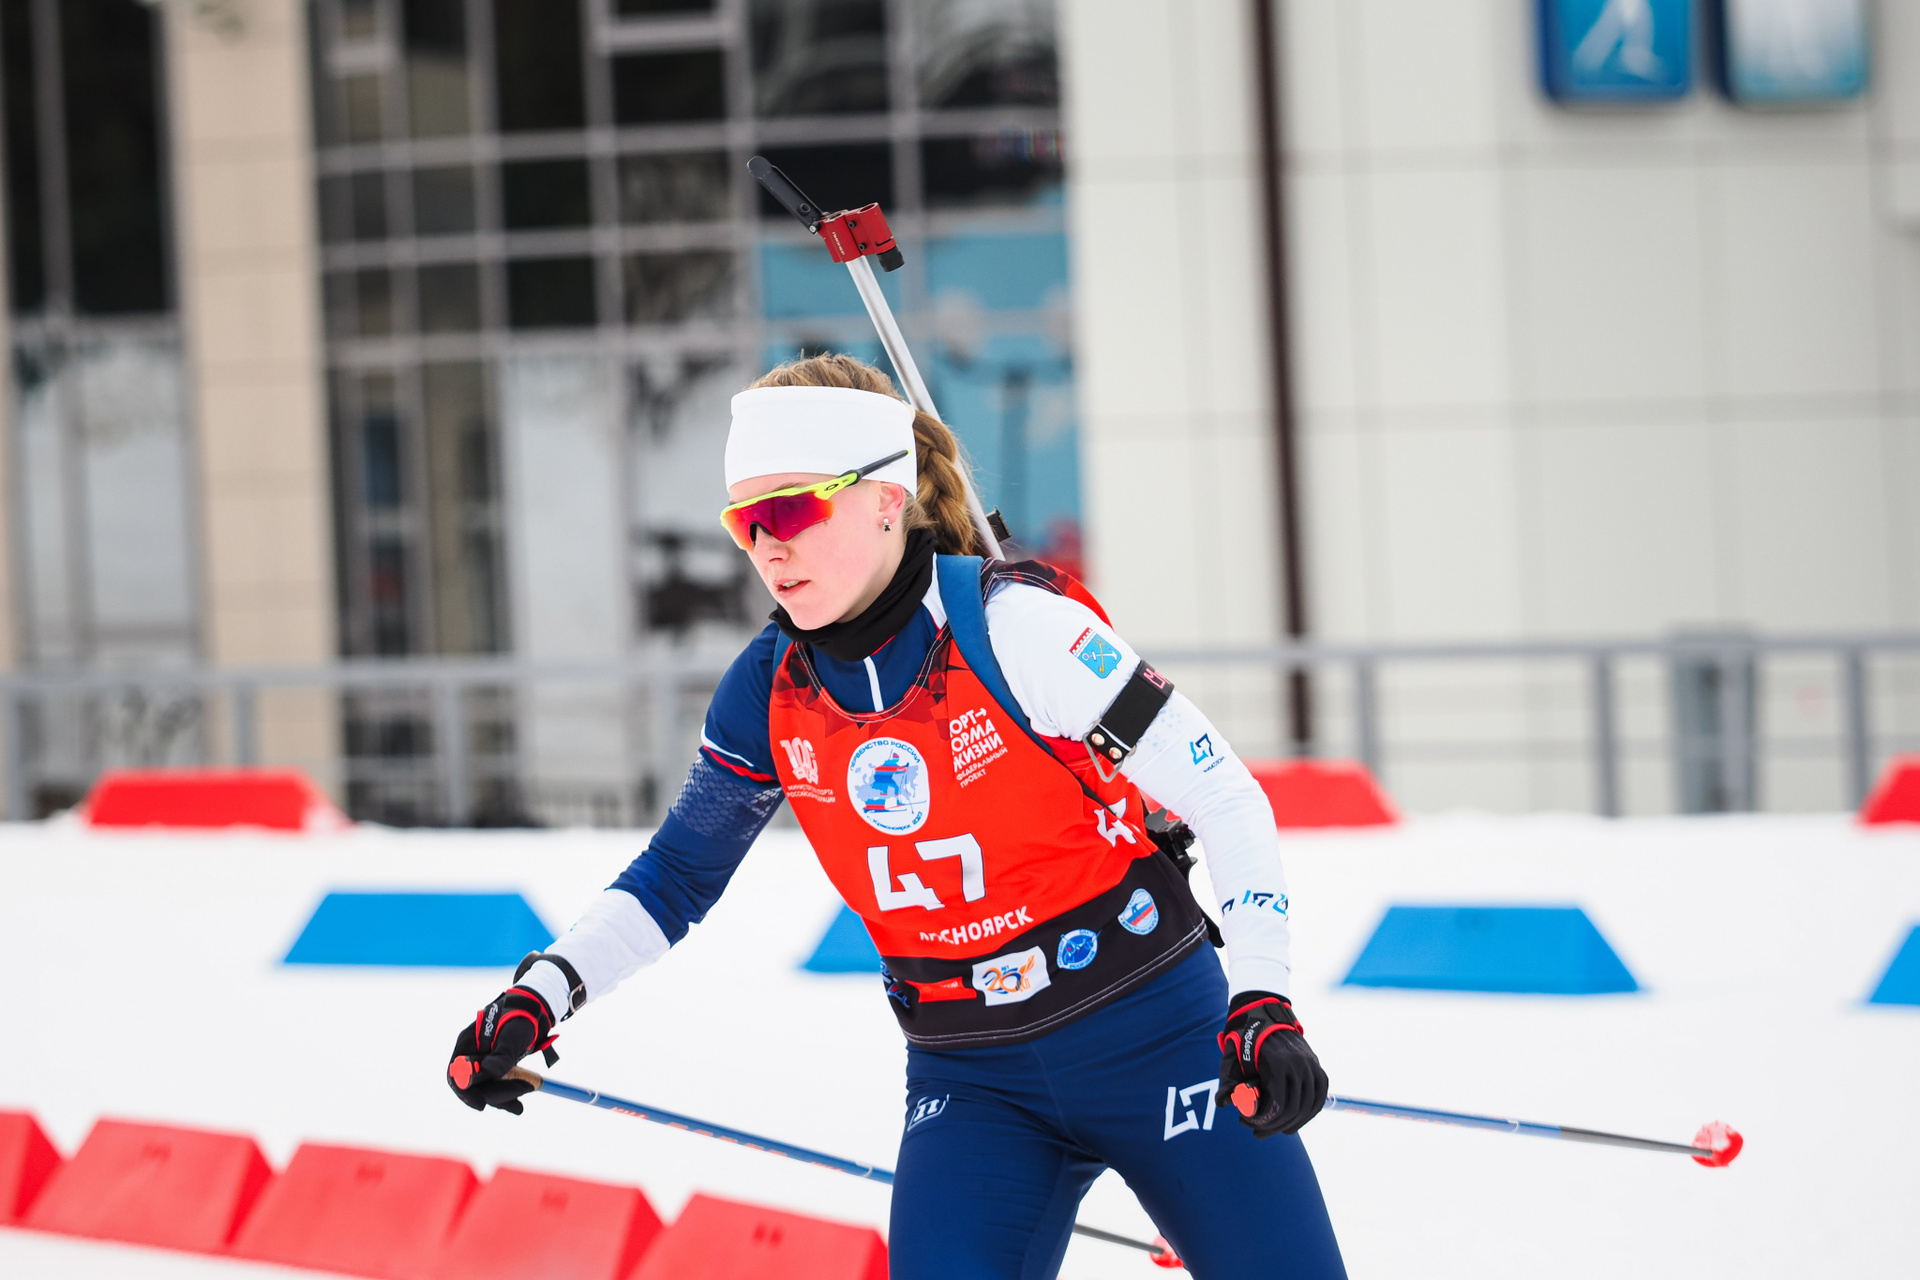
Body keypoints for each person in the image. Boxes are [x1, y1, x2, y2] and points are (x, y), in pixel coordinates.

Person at [446, 354, 1347, 1279]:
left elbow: (1221, 793)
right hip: (974, 1083)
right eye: (743, 522)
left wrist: (1262, 998)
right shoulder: (767, 692)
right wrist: (542, 991)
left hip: (1154, 1032)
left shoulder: (1017, 630)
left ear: (885, 498)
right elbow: (676, 876)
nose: (766, 549)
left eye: (788, 512)